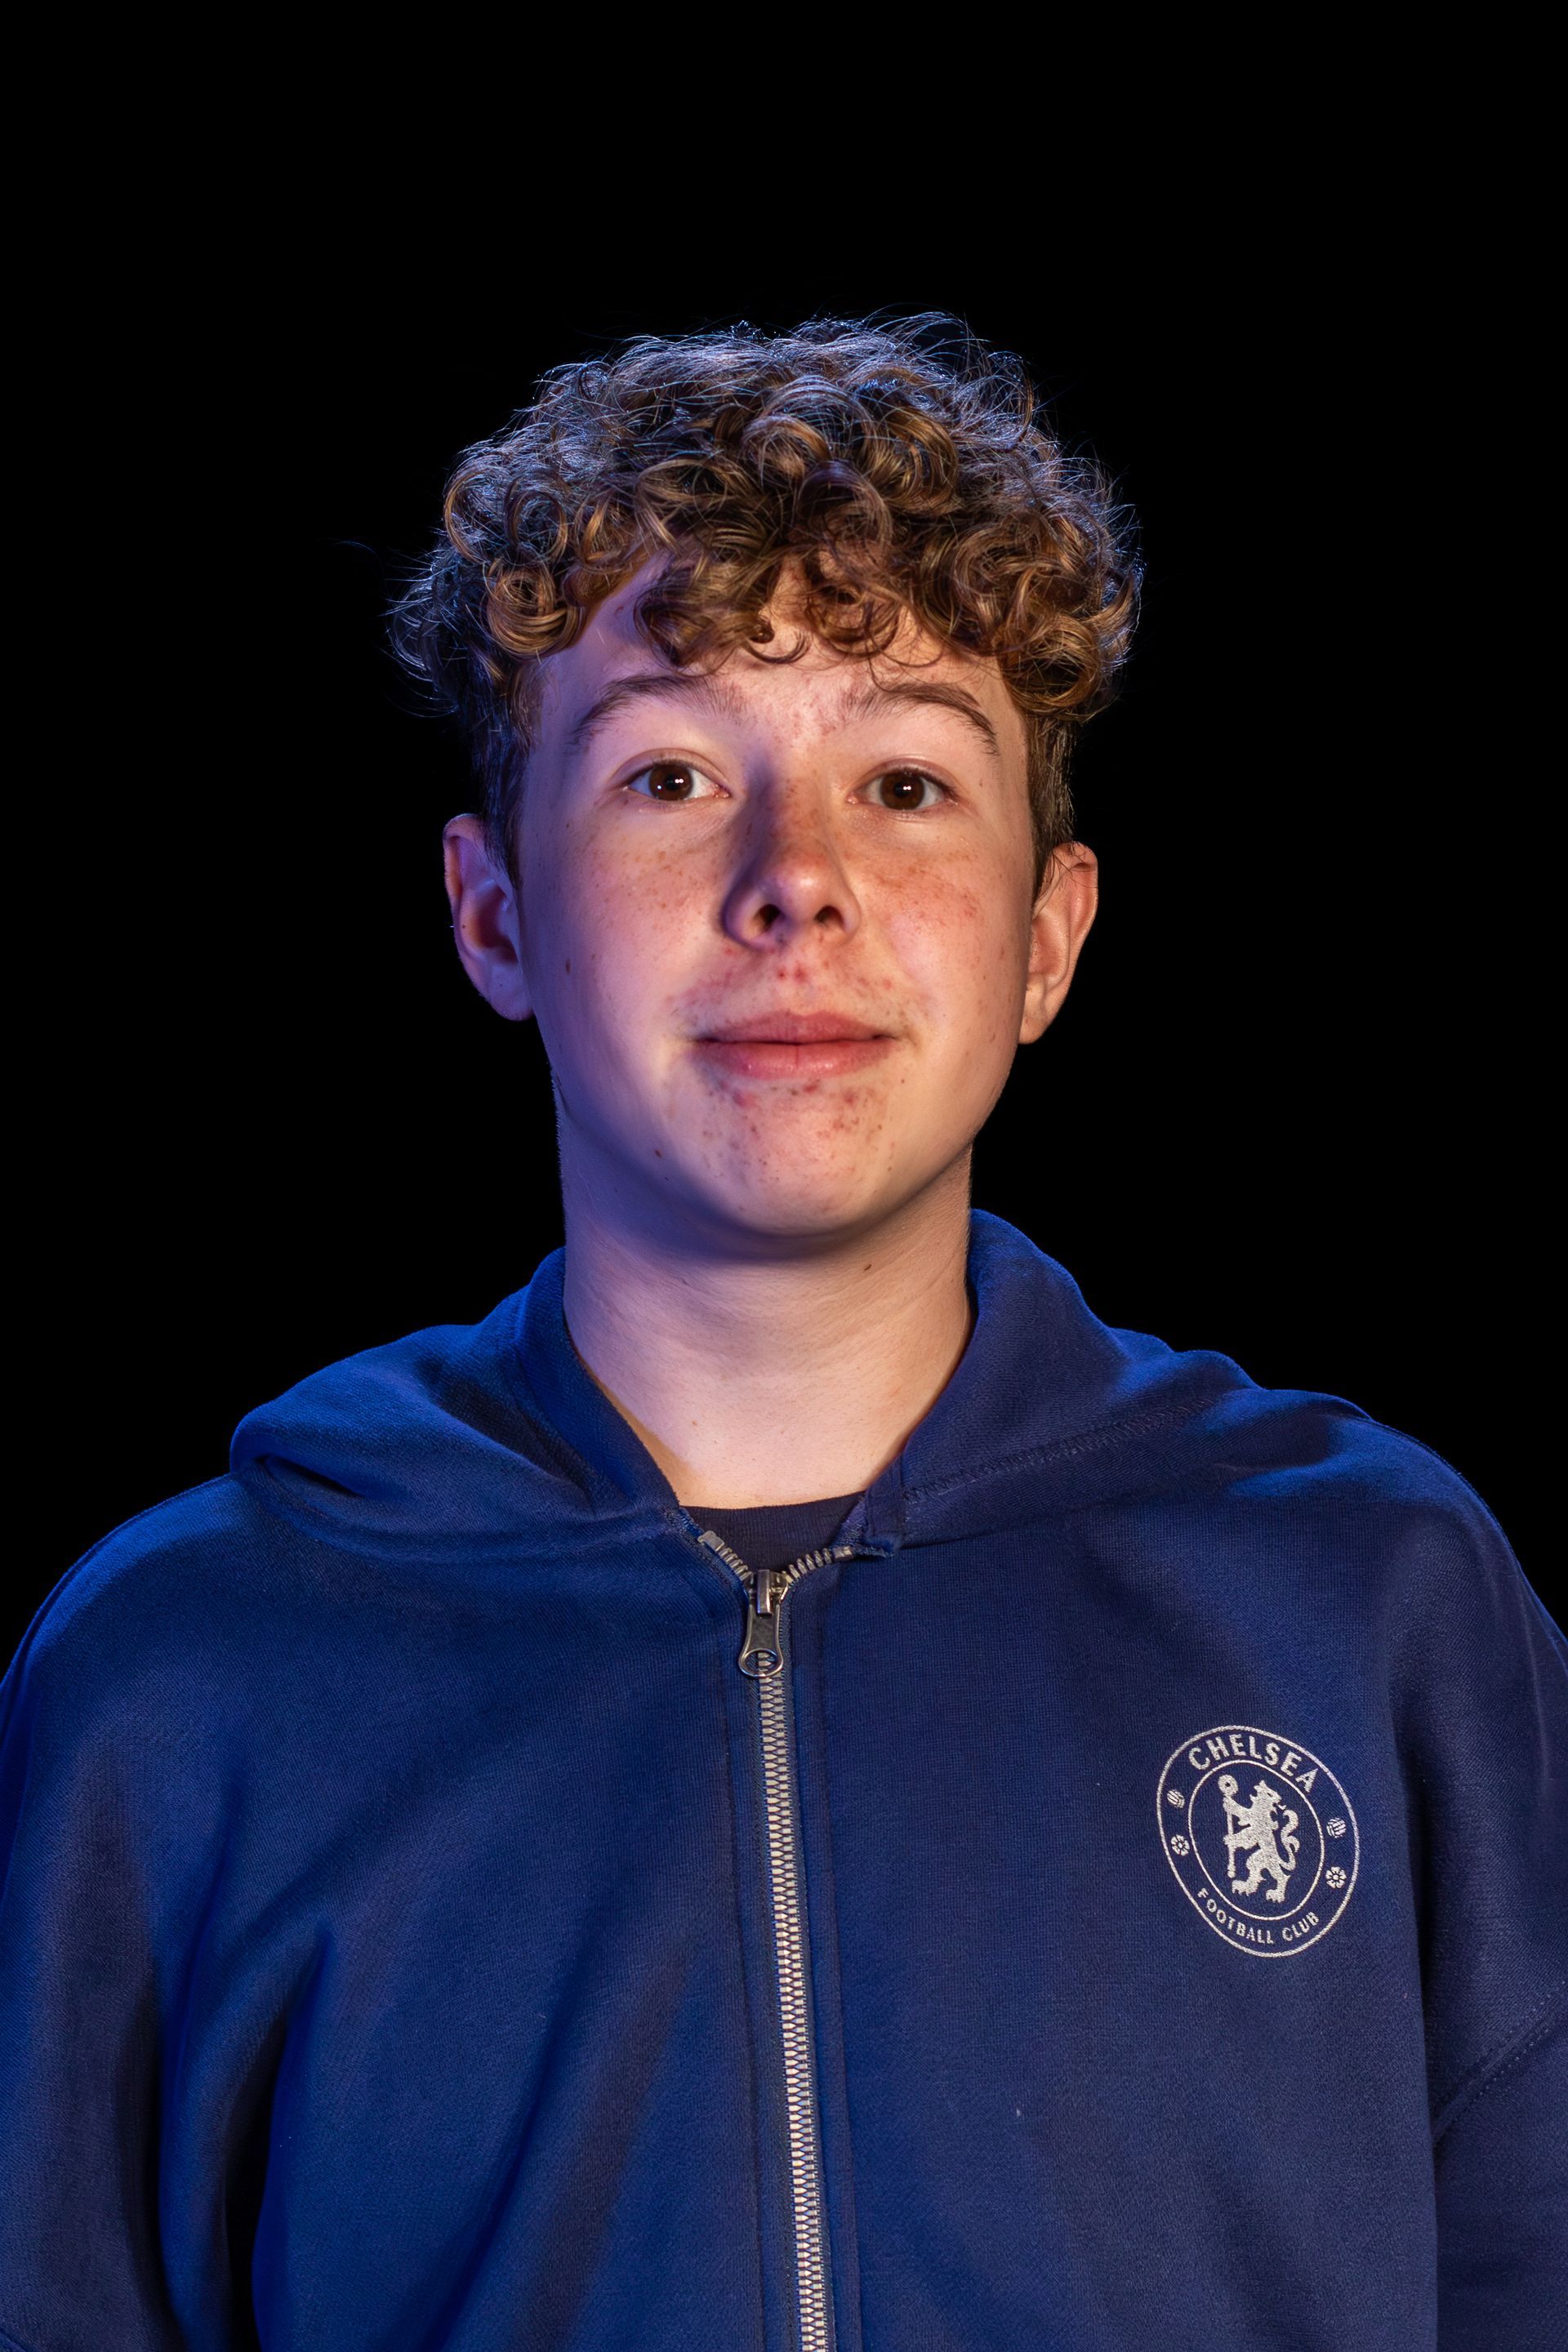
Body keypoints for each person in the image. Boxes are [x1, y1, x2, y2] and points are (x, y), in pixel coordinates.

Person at [1, 316, 1561, 2352]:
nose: (795, 884)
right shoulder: (181, 1678)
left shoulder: (1373, 1601)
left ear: (1049, 935)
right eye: (667, 775)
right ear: (493, 916)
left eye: (904, 779)